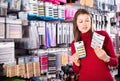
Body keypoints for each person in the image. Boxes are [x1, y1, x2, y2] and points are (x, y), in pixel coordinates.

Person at [71, 8, 118, 81]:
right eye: (80, 21)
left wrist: (106, 58)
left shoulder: (103, 35)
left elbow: (115, 62)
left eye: (87, 20)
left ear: (91, 22)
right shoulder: (75, 43)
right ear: (76, 24)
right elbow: (76, 71)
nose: (84, 24)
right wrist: (76, 63)